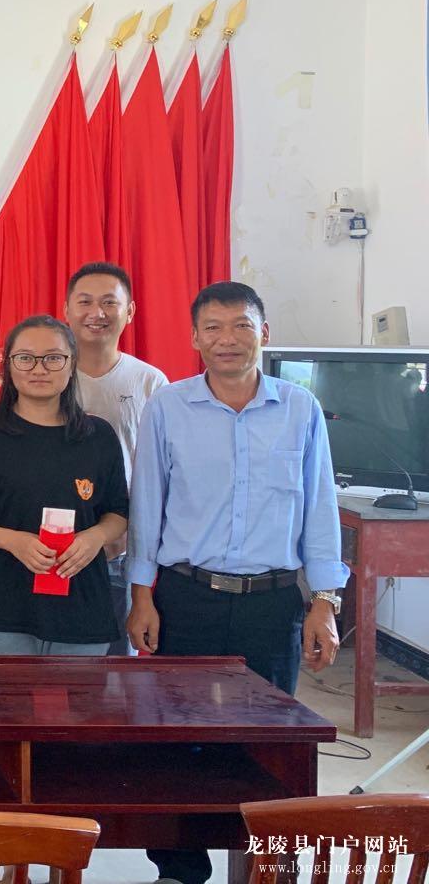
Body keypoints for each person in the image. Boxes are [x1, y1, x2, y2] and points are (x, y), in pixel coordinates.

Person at [127, 281, 347, 884]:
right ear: (195, 337)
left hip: (271, 602)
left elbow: (320, 510)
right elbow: (148, 507)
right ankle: (179, 867)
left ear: (264, 333)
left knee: (269, 742)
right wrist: (141, 596)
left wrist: (324, 602)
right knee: (176, 736)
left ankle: (261, 865)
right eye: (214, 328)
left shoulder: (299, 408)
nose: (228, 339)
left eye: (242, 325)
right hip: (185, 596)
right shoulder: (168, 407)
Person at [0, 315, 128, 656]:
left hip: (82, 608)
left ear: (71, 364)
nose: (39, 369)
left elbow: (118, 512)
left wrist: (95, 537)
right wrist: (12, 540)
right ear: (9, 365)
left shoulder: (98, 436)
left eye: (53, 358)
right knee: (5, 693)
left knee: (78, 693)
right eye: (25, 358)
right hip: (2, 607)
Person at [64, 262, 168, 654]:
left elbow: (162, 470)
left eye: (109, 302)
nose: (97, 313)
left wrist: (130, 535)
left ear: (130, 311)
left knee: (114, 664)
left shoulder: (151, 382)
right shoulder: (47, 376)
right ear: (66, 310)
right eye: (85, 302)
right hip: (52, 545)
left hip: (122, 548)